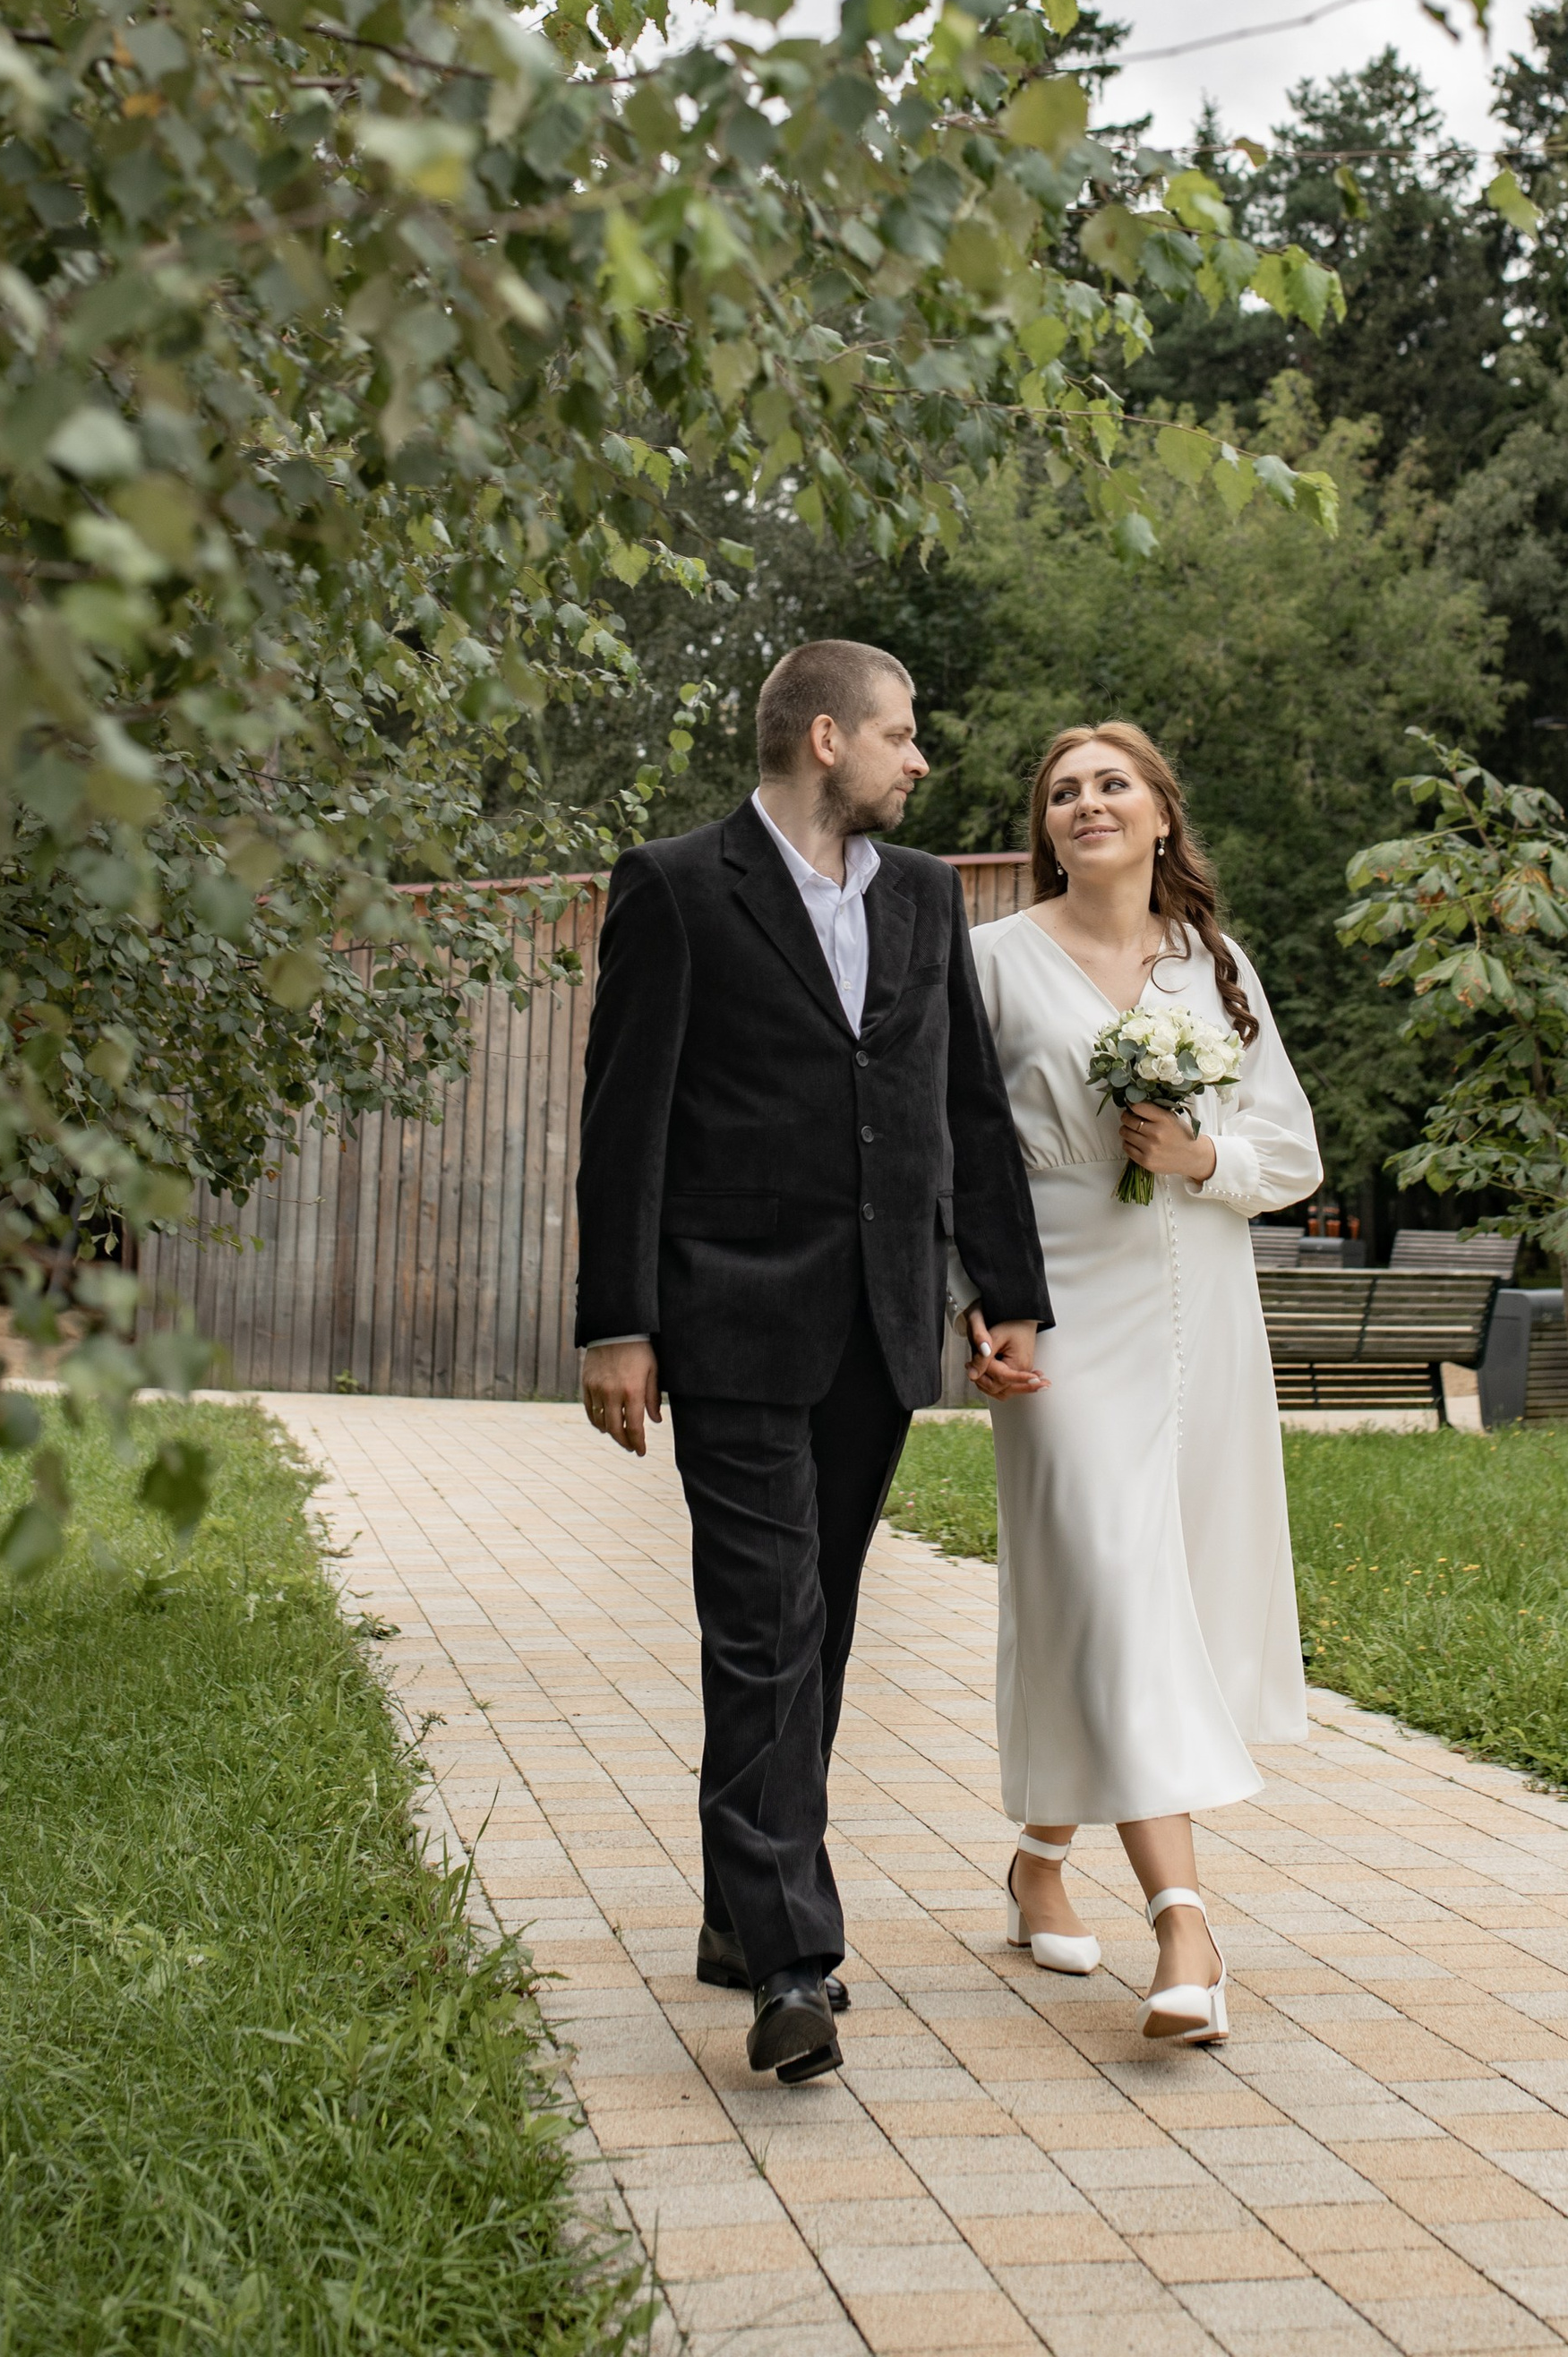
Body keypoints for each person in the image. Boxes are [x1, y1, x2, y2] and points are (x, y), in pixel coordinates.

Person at [574, 640, 1052, 2087]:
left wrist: (1005, 1292)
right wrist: (617, 1322)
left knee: (819, 1623)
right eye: (905, 738)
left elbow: (962, 1106)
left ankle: (739, 1908)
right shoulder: (675, 885)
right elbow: (625, 1117)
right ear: (828, 738)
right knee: (763, 1623)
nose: (922, 762)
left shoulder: (919, 898)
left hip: (878, 1323)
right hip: (729, 1316)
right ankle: (794, 1963)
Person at [955, 720, 1322, 2048]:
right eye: (1063, 792)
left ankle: (1042, 1854)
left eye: (1112, 784)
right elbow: (961, 1153)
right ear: (1043, 827)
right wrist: (980, 1305)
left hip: (1202, 1303)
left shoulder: (1215, 966)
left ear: (1163, 814)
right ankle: (1184, 1922)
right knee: (1108, 1575)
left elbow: (1293, 1151)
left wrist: (1198, 1156)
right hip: (1058, 1312)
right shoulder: (990, 961)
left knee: (1154, 1594)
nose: (1086, 804)